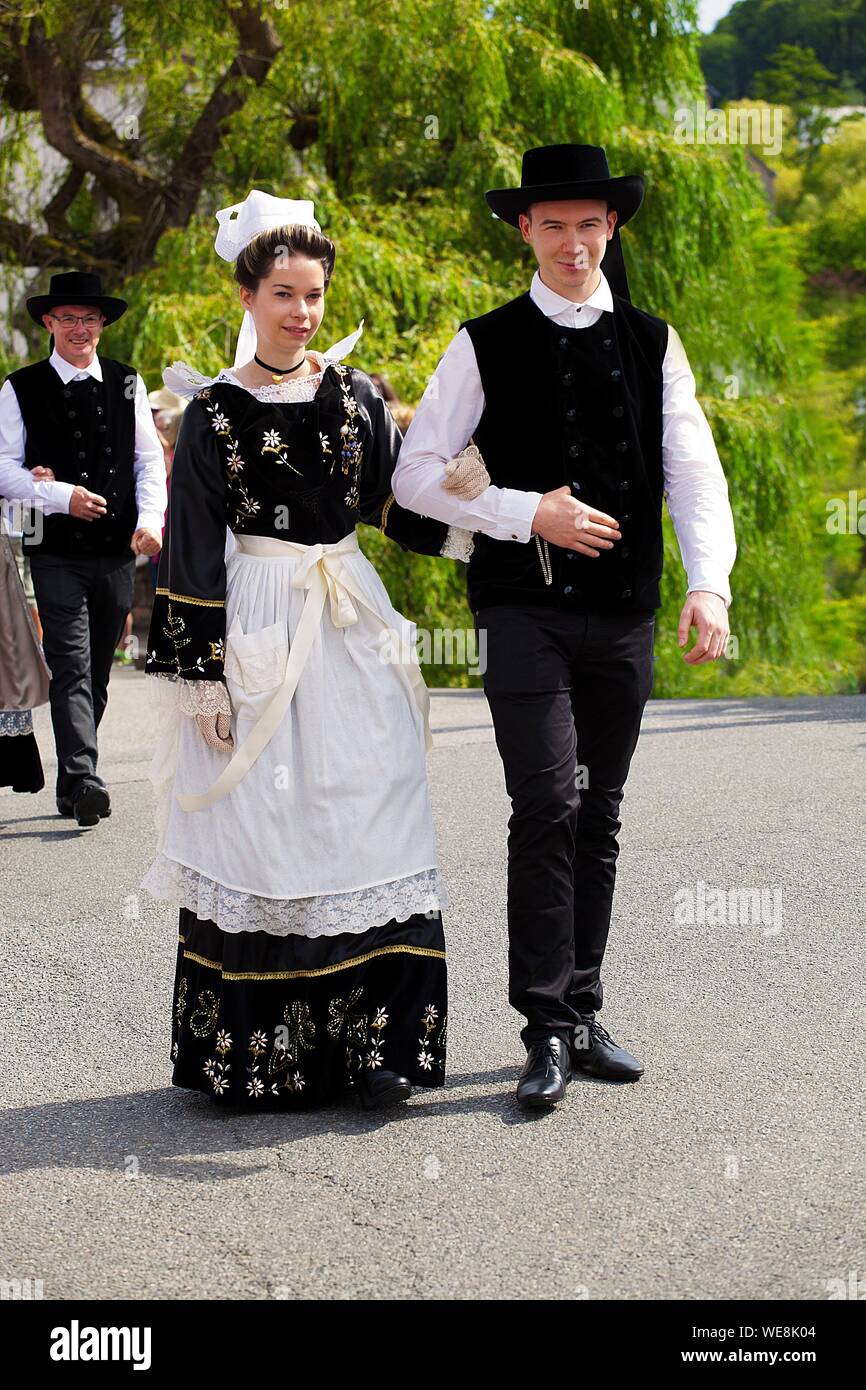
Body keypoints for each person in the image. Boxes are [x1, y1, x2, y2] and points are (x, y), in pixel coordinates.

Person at [394, 144, 737, 1108]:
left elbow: (694, 470)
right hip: (521, 609)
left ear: (611, 229)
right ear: (525, 233)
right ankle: (543, 1024)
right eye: (554, 226)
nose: (574, 243)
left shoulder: (655, 342)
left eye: (590, 225)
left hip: (623, 612)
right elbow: (415, 476)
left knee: (600, 811)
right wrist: (522, 510)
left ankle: (584, 1007)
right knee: (546, 804)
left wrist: (707, 584)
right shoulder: (481, 342)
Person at [141, 191, 477, 1111]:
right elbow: (191, 546)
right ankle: (262, 1059)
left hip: (347, 617)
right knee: (267, 829)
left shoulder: (358, 396)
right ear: (248, 296)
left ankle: (375, 1053)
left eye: (315, 294)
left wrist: (468, 499)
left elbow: (394, 508)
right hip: (256, 613)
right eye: (284, 292)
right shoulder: (211, 414)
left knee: (369, 811)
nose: (302, 311)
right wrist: (199, 674)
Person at [0, 271, 167, 827]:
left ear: (102, 325)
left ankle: (74, 782)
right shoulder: (19, 386)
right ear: (49, 323)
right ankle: (86, 775)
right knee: (70, 663)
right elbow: (3, 468)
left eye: (89, 319)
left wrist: (150, 522)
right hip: (52, 549)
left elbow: (148, 461)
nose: (79, 328)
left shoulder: (128, 382)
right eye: (68, 318)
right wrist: (55, 493)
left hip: (117, 549)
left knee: (96, 671)